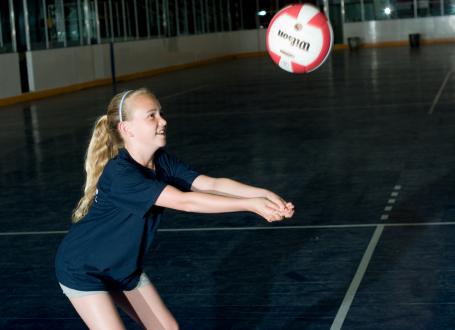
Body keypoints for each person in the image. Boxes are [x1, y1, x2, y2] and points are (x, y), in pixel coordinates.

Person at [54, 88, 295, 330]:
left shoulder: (160, 161)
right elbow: (185, 201)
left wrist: (263, 194)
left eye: (161, 113)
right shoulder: (121, 175)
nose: (163, 121)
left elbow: (209, 184)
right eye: (152, 116)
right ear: (127, 129)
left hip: (122, 267)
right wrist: (249, 205)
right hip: (82, 269)